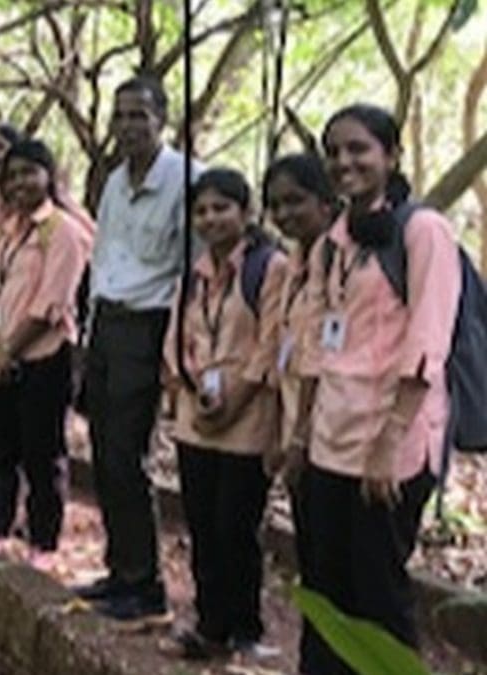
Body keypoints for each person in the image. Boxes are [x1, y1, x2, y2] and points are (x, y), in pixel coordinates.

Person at [292, 104, 461, 674]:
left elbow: (427, 340)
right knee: (323, 584)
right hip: (330, 440)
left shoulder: (424, 232)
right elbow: (317, 344)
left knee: (378, 591)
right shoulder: (330, 244)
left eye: (359, 149)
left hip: (392, 442)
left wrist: (390, 441)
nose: (344, 162)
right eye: (334, 151)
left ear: (391, 156)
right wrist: (299, 435)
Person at [78, 75, 201, 625]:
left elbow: (195, 273)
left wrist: (177, 352)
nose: (128, 127)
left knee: (129, 455)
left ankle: (145, 583)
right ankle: (121, 569)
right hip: (107, 324)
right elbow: (105, 257)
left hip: (148, 327)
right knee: (104, 452)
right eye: (120, 116)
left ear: (162, 120)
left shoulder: (187, 181)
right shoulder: (112, 182)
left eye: (139, 116)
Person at [161, 168, 287, 658]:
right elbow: (176, 338)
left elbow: (272, 342)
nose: (211, 219)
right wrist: (187, 386)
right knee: (202, 524)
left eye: (221, 208)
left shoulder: (269, 267)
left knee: (237, 527)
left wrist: (233, 398)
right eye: (202, 210)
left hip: (246, 421)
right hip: (197, 418)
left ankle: (246, 627)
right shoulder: (193, 272)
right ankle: (210, 623)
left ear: (246, 211)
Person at [0, 139, 91, 555]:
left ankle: (44, 540)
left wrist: (8, 350)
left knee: (43, 454)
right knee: (3, 449)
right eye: (13, 175)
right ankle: (0, 525)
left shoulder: (64, 232)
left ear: (49, 176)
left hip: (44, 357)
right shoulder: (6, 230)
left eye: (29, 172)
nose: (20, 182)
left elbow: (50, 305)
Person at [261, 153, 338, 672]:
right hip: (299, 432)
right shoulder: (294, 266)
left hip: (334, 435)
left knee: (337, 568)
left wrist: (301, 437)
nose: (285, 214)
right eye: (275, 205)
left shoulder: (340, 262)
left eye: (296, 201)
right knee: (316, 561)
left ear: (326, 203)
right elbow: (285, 354)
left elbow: (323, 358)